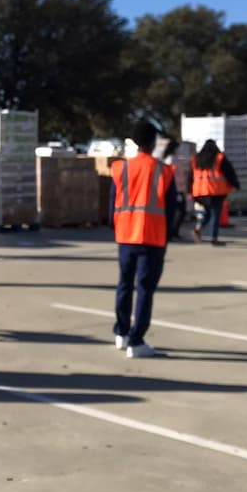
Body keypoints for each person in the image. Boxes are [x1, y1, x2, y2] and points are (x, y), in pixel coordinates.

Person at [112, 120, 175, 358]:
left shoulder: (121, 168)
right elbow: (171, 211)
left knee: (124, 284)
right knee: (145, 289)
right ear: (153, 142)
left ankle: (122, 332)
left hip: (126, 235)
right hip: (152, 236)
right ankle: (137, 341)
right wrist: (168, 236)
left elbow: (113, 202)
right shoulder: (164, 171)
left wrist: (117, 227)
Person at [191, 139, 240, 245]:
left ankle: (198, 228)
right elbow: (229, 173)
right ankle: (214, 238)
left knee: (207, 214)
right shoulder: (219, 158)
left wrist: (188, 190)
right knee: (215, 215)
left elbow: (190, 176)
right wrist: (236, 185)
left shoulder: (196, 159)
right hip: (216, 191)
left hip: (199, 192)